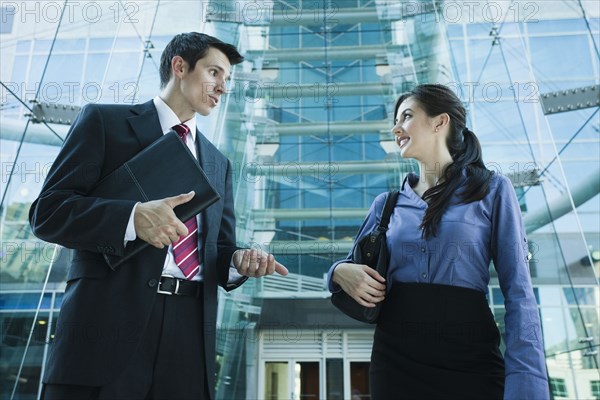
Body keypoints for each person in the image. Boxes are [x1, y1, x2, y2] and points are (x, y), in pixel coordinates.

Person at [29, 32, 288, 400]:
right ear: (179, 66)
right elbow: (48, 212)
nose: (222, 88)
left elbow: (220, 247)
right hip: (106, 324)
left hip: (189, 333)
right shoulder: (105, 123)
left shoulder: (218, 163)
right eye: (214, 73)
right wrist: (132, 218)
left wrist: (238, 261)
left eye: (226, 79)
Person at [328, 84, 549, 399]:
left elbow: (519, 293)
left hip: (470, 356)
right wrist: (337, 271)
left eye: (406, 116)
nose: (396, 128)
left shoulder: (493, 190)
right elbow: (353, 269)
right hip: (395, 360)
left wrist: (528, 386)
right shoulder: (385, 204)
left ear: (439, 122)